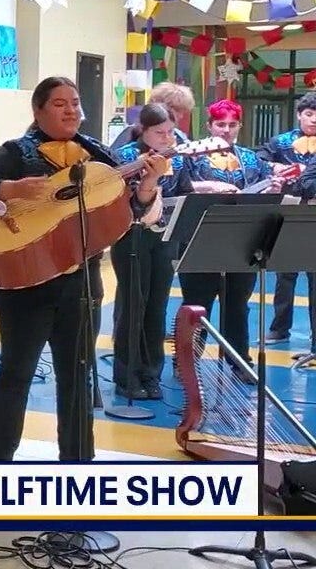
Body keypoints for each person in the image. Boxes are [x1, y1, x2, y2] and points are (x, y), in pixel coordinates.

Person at [0, 77, 163, 461]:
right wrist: (9, 189)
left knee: (78, 377)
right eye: (59, 103)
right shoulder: (17, 152)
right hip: (25, 283)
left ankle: (78, 464)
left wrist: (148, 183)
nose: (71, 110)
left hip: (82, 284)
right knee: (16, 373)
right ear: (38, 111)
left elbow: (130, 212)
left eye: (75, 102)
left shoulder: (98, 154)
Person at [180, 99, 279, 379]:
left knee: (237, 303)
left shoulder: (250, 158)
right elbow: (178, 185)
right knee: (197, 302)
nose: (226, 130)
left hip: (242, 238)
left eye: (232, 124)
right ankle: (187, 362)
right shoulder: (190, 154)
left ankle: (239, 361)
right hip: (200, 236)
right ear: (209, 125)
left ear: (240, 126)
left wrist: (272, 188)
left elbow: (262, 190)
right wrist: (206, 186)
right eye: (220, 124)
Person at [111, 104, 194, 400]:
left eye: (171, 132)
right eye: (160, 132)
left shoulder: (177, 158)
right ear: (143, 130)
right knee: (133, 305)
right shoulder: (124, 157)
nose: (167, 138)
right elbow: (122, 200)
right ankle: (127, 376)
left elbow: (185, 192)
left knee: (157, 306)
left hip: (165, 237)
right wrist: (150, 179)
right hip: (131, 238)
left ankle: (151, 373)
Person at [257, 91, 316, 343]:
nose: (314, 119)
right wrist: (276, 168)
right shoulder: (280, 142)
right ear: (299, 115)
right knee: (284, 274)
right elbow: (259, 161)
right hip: (288, 212)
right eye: (309, 114)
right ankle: (279, 328)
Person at [109, 81, 194, 150]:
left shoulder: (179, 136)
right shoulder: (130, 132)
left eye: (183, 111)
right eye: (177, 110)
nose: (180, 116)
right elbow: (111, 160)